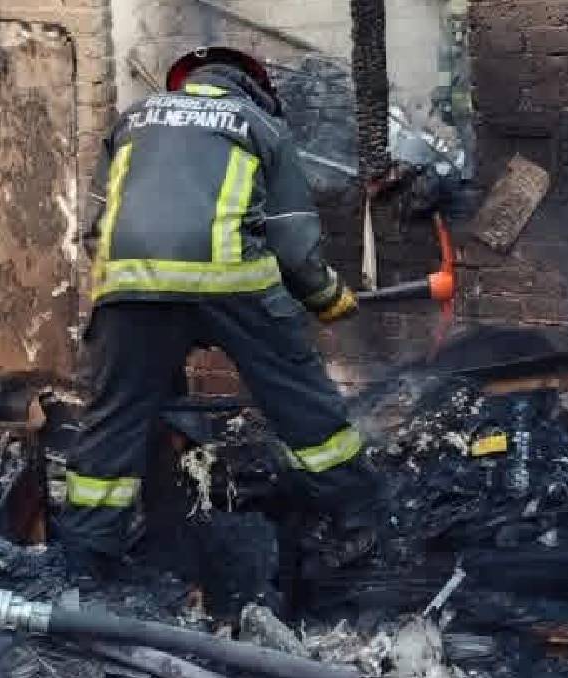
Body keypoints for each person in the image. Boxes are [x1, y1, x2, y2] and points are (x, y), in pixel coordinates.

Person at [57, 46, 381, 575]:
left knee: (116, 416)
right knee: (300, 400)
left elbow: (96, 226)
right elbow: (294, 243)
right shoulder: (260, 127)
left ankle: (85, 557)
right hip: (235, 285)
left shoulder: (132, 121)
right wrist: (325, 296)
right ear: (255, 87)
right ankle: (357, 520)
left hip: (131, 287)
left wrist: (150, 297)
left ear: (187, 82)